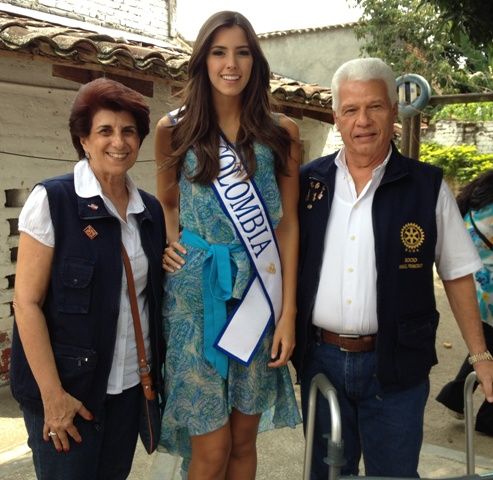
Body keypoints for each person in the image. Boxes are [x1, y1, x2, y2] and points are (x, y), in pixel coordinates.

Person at [293, 57, 493, 479]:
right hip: (322, 362)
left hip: (398, 366)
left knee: (394, 475)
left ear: (393, 111)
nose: (362, 121)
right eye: (350, 109)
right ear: (336, 117)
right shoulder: (308, 182)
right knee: (326, 475)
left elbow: (457, 273)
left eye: (374, 107)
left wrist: (480, 354)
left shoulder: (426, 186)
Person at [154, 11, 301, 480]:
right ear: (203, 61)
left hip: (258, 297)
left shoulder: (281, 133)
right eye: (219, 52)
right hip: (194, 301)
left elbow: (288, 225)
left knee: (241, 444)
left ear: (255, 62)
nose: (230, 64)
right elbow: (167, 204)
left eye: (241, 52)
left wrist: (289, 314)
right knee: (210, 449)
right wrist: (171, 245)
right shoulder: (173, 129)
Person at [10, 77, 166, 479]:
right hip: (69, 395)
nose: (119, 141)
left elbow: (150, 296)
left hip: (130, 390)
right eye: (105, 131)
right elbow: (25, 303)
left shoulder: (148, 212)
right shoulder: (54, 201)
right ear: (83, 138)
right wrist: (53, 397)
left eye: (129, 131)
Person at [436, 169, 493, 436]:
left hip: (475, 288)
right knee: (485, 347)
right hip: (489, 293)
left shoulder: (471, 205)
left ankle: (456, 394)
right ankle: (487, 416)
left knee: (484, 347)